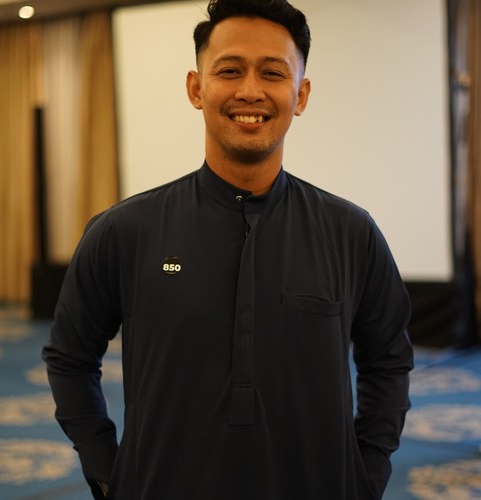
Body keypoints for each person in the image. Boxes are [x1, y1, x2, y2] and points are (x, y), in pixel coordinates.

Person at [42, 0, 414, 498]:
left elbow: (388, 360)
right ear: (197, 88)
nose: (250, 91)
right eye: (230, 70)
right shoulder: (124, 231)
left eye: (273, 73)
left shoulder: (351, 233)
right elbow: (70, 356)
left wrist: (367, 471)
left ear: (300, 95)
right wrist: (107, 468)